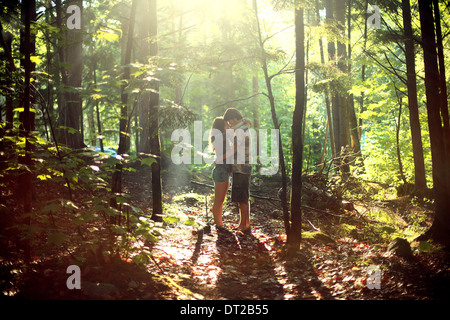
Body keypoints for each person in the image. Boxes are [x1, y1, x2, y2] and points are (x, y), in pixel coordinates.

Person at [223, 108, 252, 234]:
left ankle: (243, 225)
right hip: (242, 165)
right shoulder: (242, 127)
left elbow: (236, 148)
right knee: (243, 194)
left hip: (241, 166)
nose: (229, 123)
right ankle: (246, 223)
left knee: (242, 196)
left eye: (229, 121)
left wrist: (222, 157)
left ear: (234, 117)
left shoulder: (241, 129)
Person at [210, 117, 232, 231]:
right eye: (226, 124)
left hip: (225, 171)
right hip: (220, 171)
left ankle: (220, 224)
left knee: (221, 200)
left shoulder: (223, 137)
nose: (228, 126)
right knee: (218, 200)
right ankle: (219, 225)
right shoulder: (219, 136)